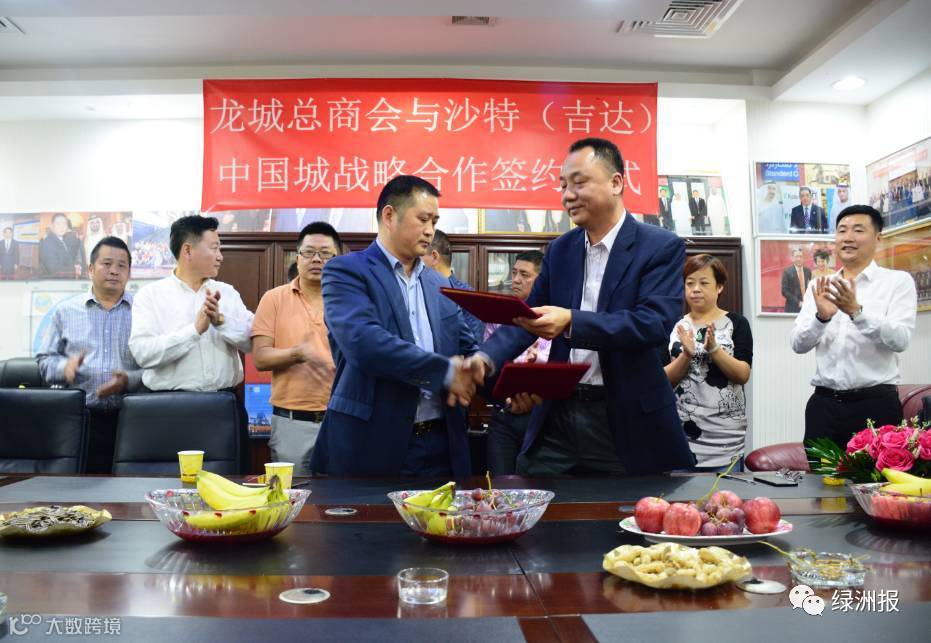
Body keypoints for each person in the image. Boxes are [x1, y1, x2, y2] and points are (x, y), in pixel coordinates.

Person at [480, 137, 694, 475]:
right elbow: (527, 317)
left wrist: (571, 322)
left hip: (624, 418)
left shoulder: (659, 246)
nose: (567, 195)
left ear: (616, 183)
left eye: (579, 183)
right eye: (563, 185)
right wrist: (483, 359)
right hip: (559, 413)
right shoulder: (560, 250)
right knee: (538, 500)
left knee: (624, 507)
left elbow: (652, 323)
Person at [309, 175, 486, 478]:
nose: (430, 230)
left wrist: (508, 383)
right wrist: (445, 372)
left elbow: (468, 348)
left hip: (442, 445)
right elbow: (363, 342)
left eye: (435, 221)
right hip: (372, 445)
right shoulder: (346, 271)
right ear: (389, 215)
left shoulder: (439, 284)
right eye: (423, 219)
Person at [129, 216, 254, 468]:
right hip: (169, 410)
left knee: (229, 483)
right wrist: (194, 331)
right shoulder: (150, 296)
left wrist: (221, 322)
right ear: (187, 250)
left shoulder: (227, 293)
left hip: (224, 406)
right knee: (171, 483)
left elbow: (253, 342)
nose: (220, 256)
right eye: (214, 248)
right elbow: (143, 353)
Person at [792, 205, 917, 448]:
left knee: (874, 474)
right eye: (842, 231)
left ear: (878, 237)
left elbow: (901, 340)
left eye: (858, 230)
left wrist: (857, 313)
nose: (848, 237)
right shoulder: (819, 285)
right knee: (821, 474)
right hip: (823, 406)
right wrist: (821, 319)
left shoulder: (897, 282)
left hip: (875, 407)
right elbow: (797, 344)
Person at [37, 237, 142, 473]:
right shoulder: (65, 311)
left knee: (128, 488)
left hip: (132, 419)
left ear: (129, 272)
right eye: (107, 263)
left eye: (122, 265)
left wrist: (129, 380)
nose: (114, 271)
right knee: (80, 487)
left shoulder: (143, 311)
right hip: (78, 420)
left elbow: (158, 366)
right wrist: (64, 368)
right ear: (91, 269)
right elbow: (45, 361)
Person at [251, 222, 340, 475]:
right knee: (291, 494)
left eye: (325, 254)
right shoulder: (274, 298)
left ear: (337, 260)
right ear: (297, 258)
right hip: (291, 423)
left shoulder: (349, 300)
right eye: (309, 252)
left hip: (340, 419)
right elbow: (260, 357)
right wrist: (297, 354)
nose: (317, 259)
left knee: (341, 494)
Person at [664, 254, 753, 471]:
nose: (695, 289)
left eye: (704, 283)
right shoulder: (675, 326)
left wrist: (714, 349)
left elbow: (742, 374)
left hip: (726, 439)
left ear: (719, 287)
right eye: (690, 283)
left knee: (725, 494)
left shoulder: (736, 323)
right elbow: (662, 380)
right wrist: (686, 355)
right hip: (682, 436)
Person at [483, 250, 550, 475]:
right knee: (500, 485)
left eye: (524, 275)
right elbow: (490, 362)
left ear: (541, 281)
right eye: (514, 273)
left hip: (543, 417)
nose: (516, 280)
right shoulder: (498, 315)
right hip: (504, 414)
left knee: (540, 487)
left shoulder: (554, 318)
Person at [422, 229, 485, 344]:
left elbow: (474, 346)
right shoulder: (420, 289)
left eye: (420, 256)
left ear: (434, 257)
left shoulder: (468, 297)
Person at [39, 213, 85, 278]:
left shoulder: (62, 240)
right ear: (52, 226)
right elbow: (54, 270)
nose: (62, 227)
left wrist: (76, 265)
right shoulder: (48, 243)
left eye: (64, 224)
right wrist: (75, 270)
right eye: (58, 224)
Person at [781, 248, 811, 314]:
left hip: (807, 308)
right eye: (796, 256)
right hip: (792, 308)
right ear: (792, 258)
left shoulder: (808, 271)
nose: (799, 259)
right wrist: (798, 302)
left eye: (800, 256)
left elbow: (810, 288)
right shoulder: (787, 272)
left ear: (803, 258)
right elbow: (784, 291)